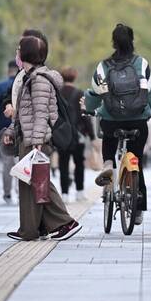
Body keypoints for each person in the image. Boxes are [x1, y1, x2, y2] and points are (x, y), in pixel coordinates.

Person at [1, 35, 82, 242]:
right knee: (30, 183)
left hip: (36, 141)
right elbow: (23, 113)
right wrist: (11, 132)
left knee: (40, 183)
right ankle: (29, 230)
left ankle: (66, 223)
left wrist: (37, 142)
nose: (17, 53)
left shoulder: (39, 80)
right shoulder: (29, 77)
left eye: (19, 49)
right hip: (28, 137)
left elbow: (41, 114)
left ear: (27, 53)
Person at [83, 23, 151, 225]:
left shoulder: (103, 66)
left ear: (113, 42)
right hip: (138, 121)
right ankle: (138, 210)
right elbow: (149, 95)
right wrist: (148, 110)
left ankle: (108, 164)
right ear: (132, 41)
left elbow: (95, 94)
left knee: (109, 138)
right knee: (137, 162)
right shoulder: (141, 63)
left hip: (111, 120)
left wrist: (89, 107)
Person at [57, 66, 93, 203]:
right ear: (75, 77)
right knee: (79, 163)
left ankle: (64, 194)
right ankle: (79, 192)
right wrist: (91, 134)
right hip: (78, 134)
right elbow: (85, 115)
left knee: (63, 164)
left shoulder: (57, 93)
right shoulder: (79, 93)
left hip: (62, 135)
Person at [0, 60, 20, 205]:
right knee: (21, 161)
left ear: (8, 70)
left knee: (7, 162)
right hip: (21, 128)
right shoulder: (22, 84)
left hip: (3, 128)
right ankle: (20, 192)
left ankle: (7, 193)